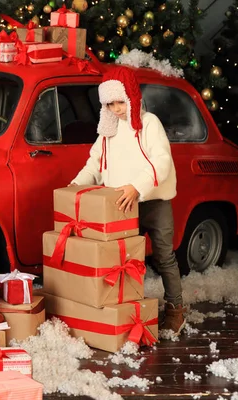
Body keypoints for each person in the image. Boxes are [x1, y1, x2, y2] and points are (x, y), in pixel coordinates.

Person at [70, 66, 187, 336]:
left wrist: (137, 187)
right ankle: (128, 310)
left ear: (132, 97)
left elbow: (162, 162)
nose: (116, 109)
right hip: (120, 207)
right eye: (109, 104)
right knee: (123, 261)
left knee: (164, 256)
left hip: (153, 203)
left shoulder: (150, 124)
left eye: (120, 102)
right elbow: (94, 163)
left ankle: (175, 309)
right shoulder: (107, 132)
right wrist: (77, 185)